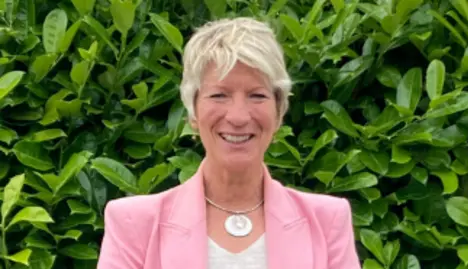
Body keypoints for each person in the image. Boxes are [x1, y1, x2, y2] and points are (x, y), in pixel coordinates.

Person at [97, 17, 362, 269]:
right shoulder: (133, 223)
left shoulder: (328, 220)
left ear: (279, 110)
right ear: (193, 111)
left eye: (257, 95)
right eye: (219, 95)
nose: (238, 117)